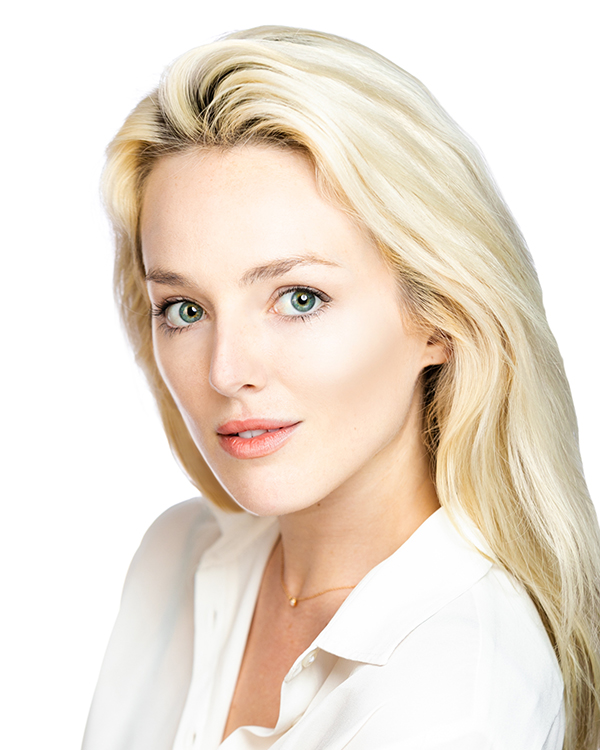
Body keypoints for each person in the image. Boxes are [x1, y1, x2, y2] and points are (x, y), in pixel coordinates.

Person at [82, 26, 600, 750]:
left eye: (299, 298)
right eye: (185, 310)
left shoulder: (455, 703)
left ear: (439, 318)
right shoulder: (177, 556)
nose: (226, 371)